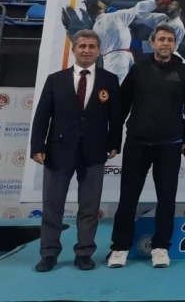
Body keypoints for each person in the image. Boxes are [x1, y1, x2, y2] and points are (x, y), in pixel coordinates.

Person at [107, 24, 185, 269]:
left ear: (175, 44)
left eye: (170, 40)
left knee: (167, 199)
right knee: (128, 198)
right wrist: (114, 141)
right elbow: (121, 106)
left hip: (170, 144)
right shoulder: (138, 68)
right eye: (161, 39)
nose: (165, 43)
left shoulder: (184, 71)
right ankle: (119, 247)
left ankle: (161, 247)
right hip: (137, 143)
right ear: (152, 43)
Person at [30, 30, 122, 272]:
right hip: (58, 151)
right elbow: (42, 116)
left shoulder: (110, 80)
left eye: (92, 46)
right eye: (82, 46)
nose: (87, 50)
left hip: (94, 151)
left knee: (89, 207)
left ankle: (84, 253)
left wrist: (114, 143)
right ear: (73, 50)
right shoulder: (55, 80)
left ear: (99, 51)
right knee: (53, 206)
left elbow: (116, 116)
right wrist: (37, 146)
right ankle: (49, 253)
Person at [90, 0, 170, 83]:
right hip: (120, 58)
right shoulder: (115, 15)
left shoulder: (94, 28)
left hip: (109, 60)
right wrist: (155, 3)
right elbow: (137, 9)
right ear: (101, 7)